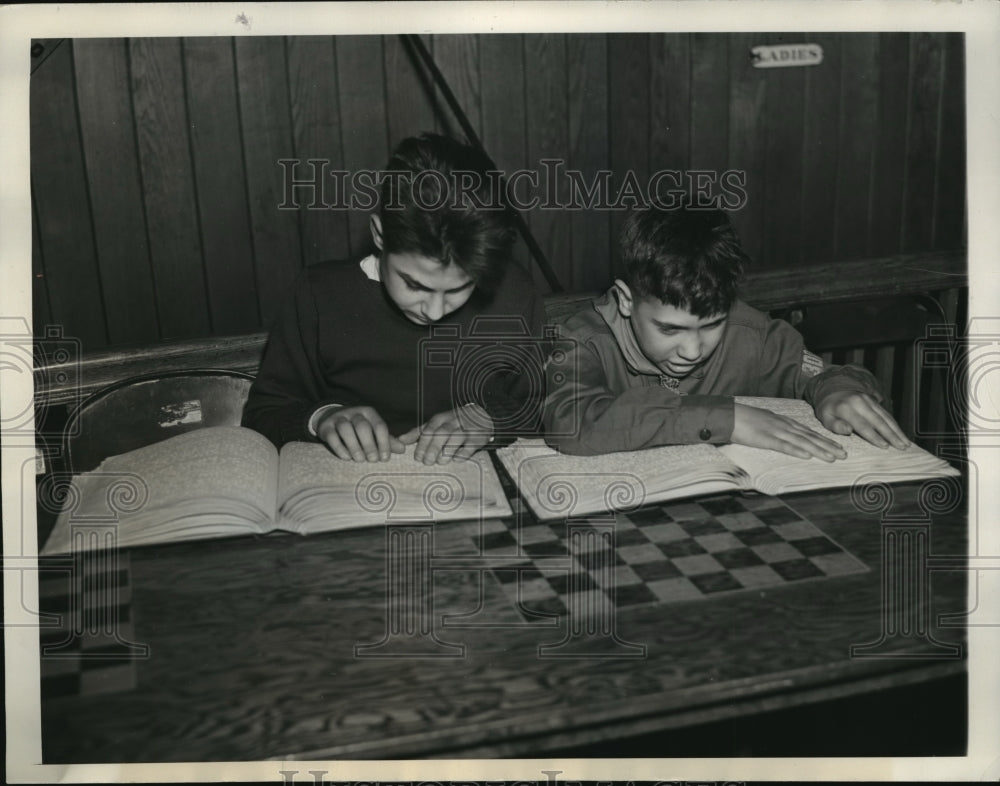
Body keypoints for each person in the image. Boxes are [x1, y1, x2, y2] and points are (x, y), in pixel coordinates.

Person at [243, 133, 546, 465]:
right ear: (379, 235)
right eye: (415, 285)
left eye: (459, 289)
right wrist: (322, 417)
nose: (433, 311)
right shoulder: (319, 295)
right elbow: (264, 413)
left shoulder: (514, 292)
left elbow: (543, 404)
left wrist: (491, 419)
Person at [542, 205, 910, 459]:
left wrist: (837, 391)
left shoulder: (752, 334)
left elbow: (824, 373)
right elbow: (569, 420)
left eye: (712, 324)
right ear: (625, 300)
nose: (692, 349)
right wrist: (727, 418)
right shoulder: (581, 341)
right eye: (670, 329)